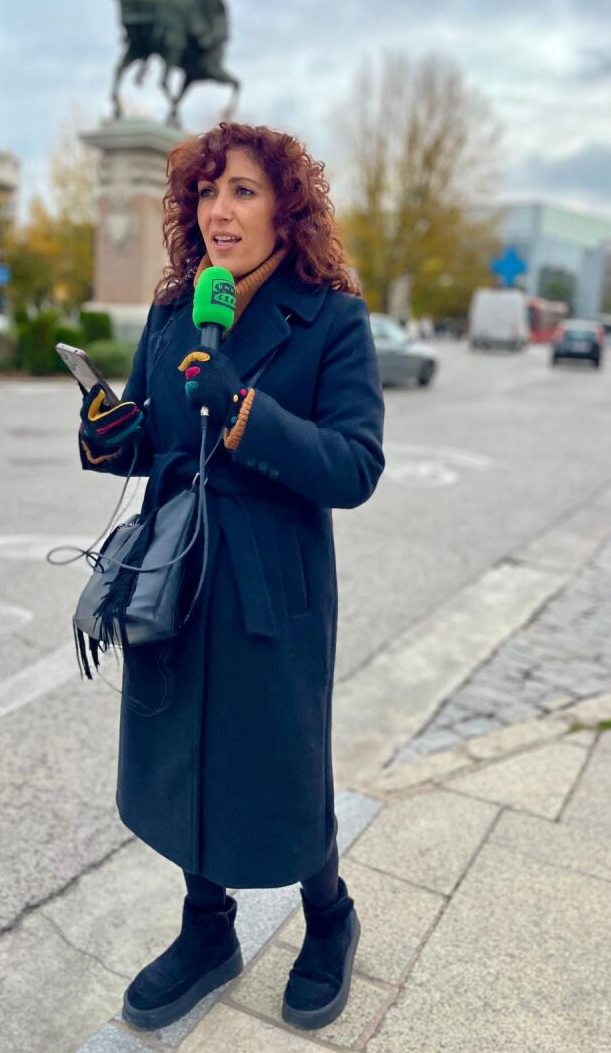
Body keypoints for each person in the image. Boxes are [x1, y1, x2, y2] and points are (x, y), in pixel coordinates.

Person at [77, 122, 385, 1032]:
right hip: (178, 571)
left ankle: (328, 916)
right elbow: (153, 432)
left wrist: (251, 414)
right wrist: (107, 434)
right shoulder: (176, 310)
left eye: (243, 190)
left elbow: (356, 464)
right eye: (209, 192)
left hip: (269, 586)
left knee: (284, 765)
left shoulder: (331, 315)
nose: (220, 210)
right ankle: (207, 926)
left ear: (285, 208)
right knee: (182, 755)